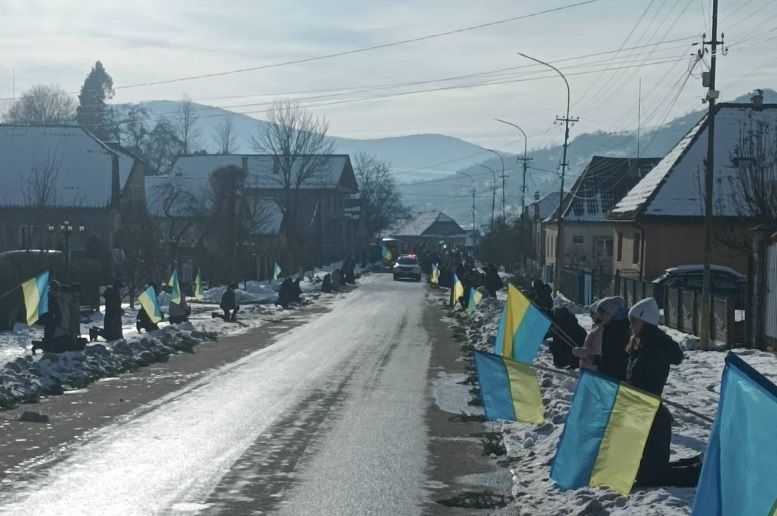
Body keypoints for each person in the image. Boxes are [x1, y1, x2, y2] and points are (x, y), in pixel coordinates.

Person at [626, 297, 700, 488]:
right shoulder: (639, 346)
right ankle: (697, 465)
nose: (631, 326)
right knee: (648, 471)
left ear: (647, 322)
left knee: (651, 476)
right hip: (641, 410)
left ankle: (701, 472)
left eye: (635, 322)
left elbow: (651, 385)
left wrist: (634, 393)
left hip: (652, 415)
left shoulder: (655, 349)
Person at [596, 296, 630, 381]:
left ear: (610, 312)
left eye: (602, 314)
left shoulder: (618, 328)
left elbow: (614, 353)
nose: (600, 318)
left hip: (615, 374)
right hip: (613, 371)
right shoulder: (612, 326)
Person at [573, 301, 603, 371]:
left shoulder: (599, 329)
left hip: (592, 368)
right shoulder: (596, 327)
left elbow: (596, 351)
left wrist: (581, 351)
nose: (590, 315)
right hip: (588, 367)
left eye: (592, 313)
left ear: (599, 314)